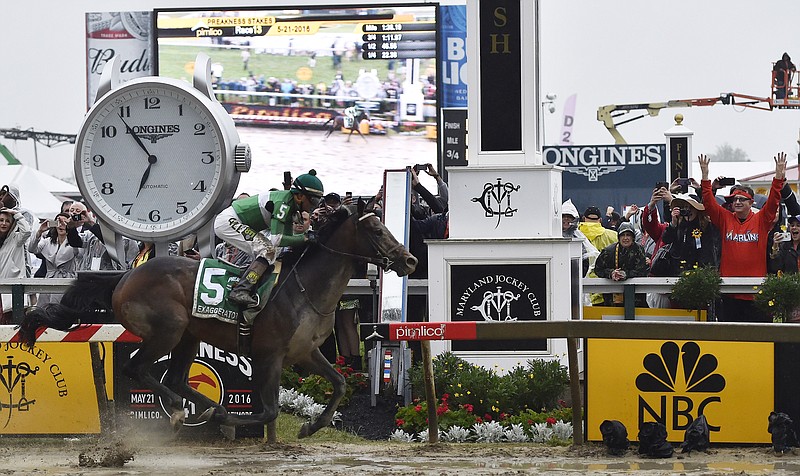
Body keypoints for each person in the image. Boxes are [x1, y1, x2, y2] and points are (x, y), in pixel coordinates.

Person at [213, 170, 323, 308]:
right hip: (228, 221)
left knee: (271, 252)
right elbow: (277, 239)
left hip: (234, 220)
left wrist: (303, 239)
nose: (314, 206)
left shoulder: (291, 205)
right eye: (313, 200)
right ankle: (241, 290)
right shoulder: (283, 204)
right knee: (267, 250)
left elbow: (285, 241)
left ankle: (250, 285)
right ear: (300, 196)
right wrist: (305, 238)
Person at [699, 152, 786, 322]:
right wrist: (705, 176)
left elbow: (773, 201)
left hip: (755, 290)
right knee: (730, 336)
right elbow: (709, 204)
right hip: (729, 290)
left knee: (756, 336)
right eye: (734, 199)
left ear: (751, 203)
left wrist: (778, 177)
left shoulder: (761, 219)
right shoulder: (725, 218)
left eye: (742, 199)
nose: (737, 202)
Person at [29, 213, 84, 306]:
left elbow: (79, 253)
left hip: (67, 281)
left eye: (64, 222)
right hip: (49, 280)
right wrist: (39, 232)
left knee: (61, 310)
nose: (61, 225)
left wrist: (72, 232)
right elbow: (31, 249)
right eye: (58, 222)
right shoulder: (48, 241)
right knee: (45, 309)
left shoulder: (75, 241)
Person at [592, 222, 649, 306]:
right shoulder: (608, 251)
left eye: (628, 235)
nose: (625, 238)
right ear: (618, 237)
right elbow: (598, 269)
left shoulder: (639, 250)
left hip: (636, 297)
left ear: (633, 237)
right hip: (612, 297)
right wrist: (611, 273)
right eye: (623, 235)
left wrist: (626, 274)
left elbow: (643, 271)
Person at [0, 207, 31, 323]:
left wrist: (16, 214)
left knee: (11, 325)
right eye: (1, 220)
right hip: (1, 288)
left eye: (7, 221)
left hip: (12, 289)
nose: (4, 223)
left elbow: (27, 231)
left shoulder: (16, 239)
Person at [562, 199, 599, 276]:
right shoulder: (555, 235)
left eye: (569, 216)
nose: (566, 219)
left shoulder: (578, 236)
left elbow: (585, 259)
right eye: (563, 216)